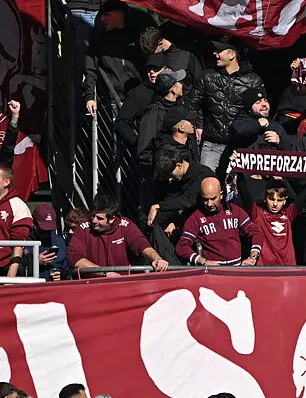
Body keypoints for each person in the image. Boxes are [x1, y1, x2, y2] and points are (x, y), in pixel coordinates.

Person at [187, 39, 264, 176]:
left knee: (237, 187)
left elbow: (261, 111)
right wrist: (198, 124)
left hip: (242, 147)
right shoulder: (207, 76)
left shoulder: (253, 80)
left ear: (232, 54)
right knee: (206, 181)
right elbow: (191, 104)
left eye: (219, 51)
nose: (215, 53)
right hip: (212, 144)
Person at [68, 193, 170, 274]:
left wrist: (157, 259)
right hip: (92, 285)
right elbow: (74, 258)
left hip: (122, 284)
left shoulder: (125, 225)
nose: (94, 220)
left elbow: (142, 245)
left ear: (112, 219)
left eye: (99, 218)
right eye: (92, 216)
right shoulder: (83, 229)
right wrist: (104, 273)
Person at [175, 182, 261, 267]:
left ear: (221, 195)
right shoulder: (196, 217)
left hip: (236, 268)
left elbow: (256, 232)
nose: (209, 204)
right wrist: (202, 261)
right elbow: (181, 247)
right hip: (213, 271)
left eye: (213, 199)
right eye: (205, 199)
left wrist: (253, 256)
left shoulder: (235, 211)